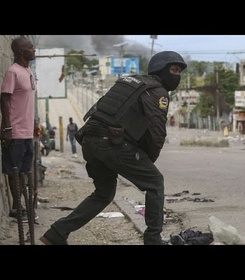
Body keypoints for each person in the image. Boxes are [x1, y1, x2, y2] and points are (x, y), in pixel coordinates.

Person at [40, 50, 187, 245]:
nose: (177, 74)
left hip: (90, 140)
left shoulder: (129, 82)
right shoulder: (158, 92)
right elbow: (157, 131)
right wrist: (147, 160)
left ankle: (57, 233)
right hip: (111, 143)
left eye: (179, 70)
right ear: (160, 69)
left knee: (104, 194)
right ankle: (153, 240)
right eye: (173, 69)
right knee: (155, 182)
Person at [0, 36, 36, 222]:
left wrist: (35, 124)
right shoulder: (13, 72)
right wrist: (6, 127)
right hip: (15, 131)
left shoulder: (27, 71)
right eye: (30, 47)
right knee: (14, 170)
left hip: (28, 131)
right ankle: (16, 206)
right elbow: (5, 99)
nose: (33, 50)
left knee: (23, 170)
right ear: (21, 51)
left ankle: (23, 205)